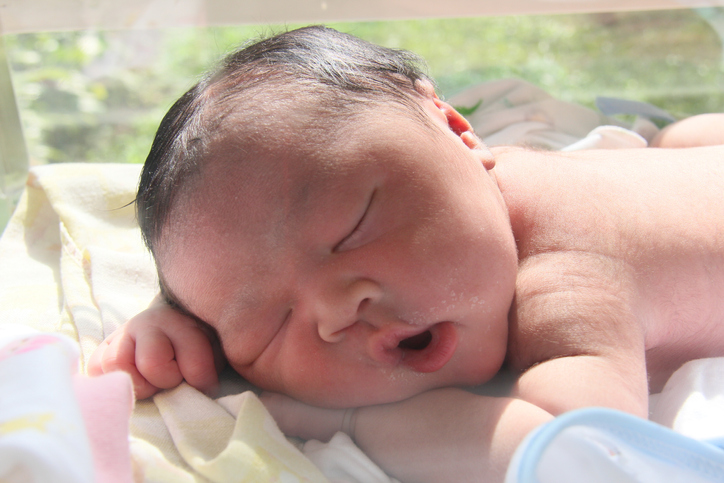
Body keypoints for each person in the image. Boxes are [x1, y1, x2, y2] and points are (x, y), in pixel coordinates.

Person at [88, 25, 724, 482]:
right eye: (269, 321)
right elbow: (238, 250)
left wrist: (355, 424)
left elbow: (578, 450)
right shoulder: (454, 195)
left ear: (455, 130)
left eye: (354, 226)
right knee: (681, 138)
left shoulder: (570, 283)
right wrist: (175, 310)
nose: (340, 309)